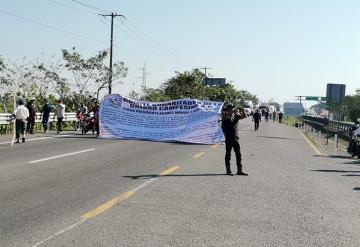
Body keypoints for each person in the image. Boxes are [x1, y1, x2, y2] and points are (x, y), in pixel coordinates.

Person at [221, 104, 248, 176]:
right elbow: (226, 115)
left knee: (238, 155)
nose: (232, 109)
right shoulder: (224, 115)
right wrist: (233, 111)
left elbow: (244, 116)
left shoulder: (235, 116)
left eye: (233, 108)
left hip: (236, 138)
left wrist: (242, 110)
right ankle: (228, 171)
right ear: (228, 109)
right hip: (229, 138)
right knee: (228, 154)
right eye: (231, 108)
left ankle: (239, 170)